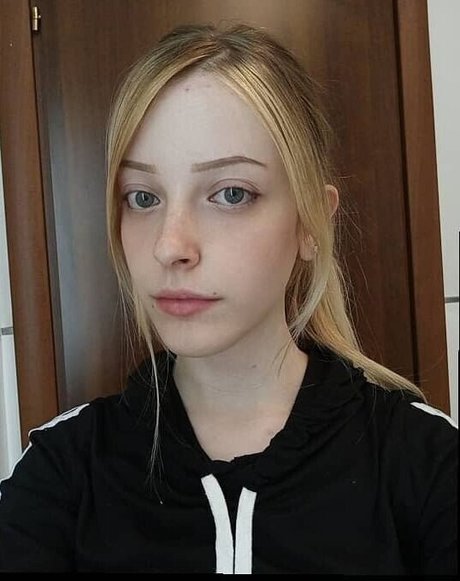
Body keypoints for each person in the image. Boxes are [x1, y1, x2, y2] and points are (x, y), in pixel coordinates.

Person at [0, 22, 457, 574]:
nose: (170, 246)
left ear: (311, 221)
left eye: (231, 193)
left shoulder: (426, 462)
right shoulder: (62, 471)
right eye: (142, 197)